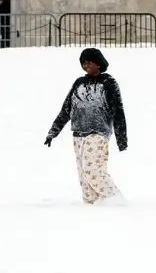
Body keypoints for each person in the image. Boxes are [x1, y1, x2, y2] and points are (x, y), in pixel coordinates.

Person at [44, 48, 128, 205]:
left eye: (89, 62)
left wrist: (121, 138)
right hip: (78, 134)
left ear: (98, 63)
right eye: (83, 63)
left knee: (93, 170)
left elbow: (118, 112)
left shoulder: (108, 83)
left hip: (98, 133)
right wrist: (53, 132)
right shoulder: (79, 83)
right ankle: (91, 206)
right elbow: (66, 109)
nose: (85, 65)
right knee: (83, 174)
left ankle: (115, 200)